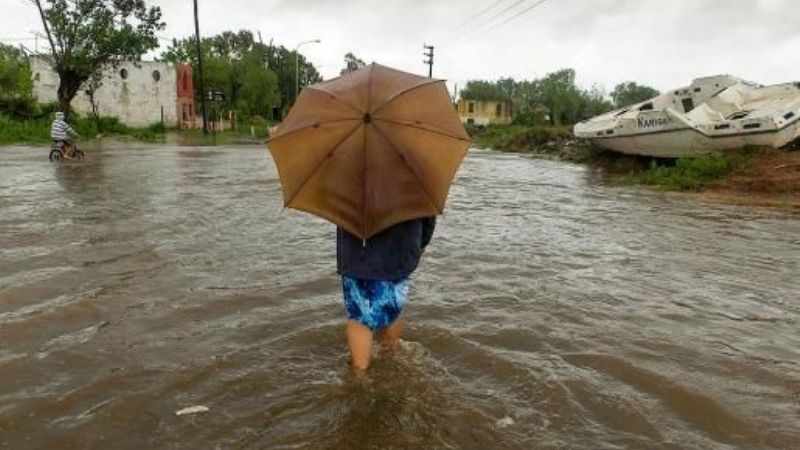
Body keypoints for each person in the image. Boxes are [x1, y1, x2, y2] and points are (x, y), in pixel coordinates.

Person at [337, 217, 436, 374]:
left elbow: (337, 208)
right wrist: (422, 241)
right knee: (392, 304)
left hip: (359, 253)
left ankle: (360, 375)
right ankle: (390, 350)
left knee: (360, 317)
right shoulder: (413, 190)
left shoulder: (351, 190)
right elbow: (428, 211)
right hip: (402, 247)